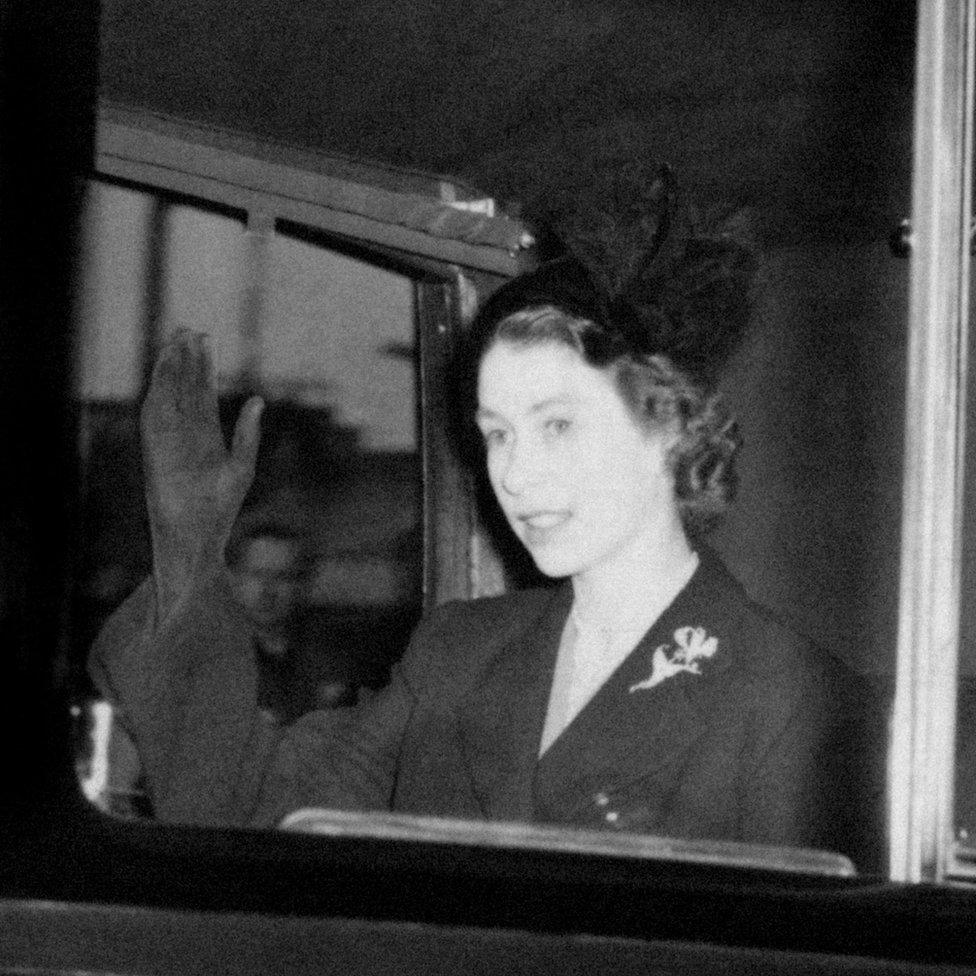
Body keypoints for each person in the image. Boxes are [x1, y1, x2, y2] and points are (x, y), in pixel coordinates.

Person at [88, 171, 869, 856]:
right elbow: (256, 817)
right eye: (497, 433)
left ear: (666, 426)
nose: (516, 474)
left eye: (557, 424)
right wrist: (189, 551)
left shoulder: (792, 704)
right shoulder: (458, 658)